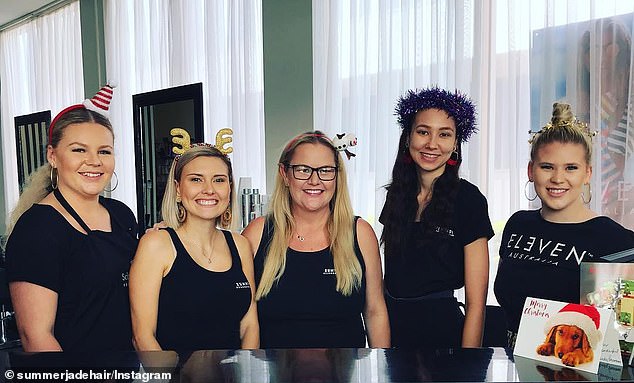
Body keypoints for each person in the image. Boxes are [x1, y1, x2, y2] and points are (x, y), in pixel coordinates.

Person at [3, 85, 138, 351]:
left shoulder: (122, 215)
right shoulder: (38, 229)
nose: (94, 161)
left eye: (104, 151)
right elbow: (36, 337)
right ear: (53, 156)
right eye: (79, 150)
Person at [494, 102, 634, 348]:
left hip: (574, 372)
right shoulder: (517, 226)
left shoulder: (618, 242)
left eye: (571, 168)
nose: (558, 178)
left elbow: (623, 335)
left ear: (587, 173)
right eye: (547, 167)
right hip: (511, 365)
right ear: (531, 170)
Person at [242, 131, 390, 348]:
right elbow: (244, 319)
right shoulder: (257, 233)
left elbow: (375, 312)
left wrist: (382, 368)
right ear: (285, 174)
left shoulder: (360, 233)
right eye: (303, 170)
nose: (314, 180)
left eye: (325, 171)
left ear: (337, 176)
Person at [380, 86, 494, 348]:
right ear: (408, 137)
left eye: (444, 134)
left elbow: (476, 304)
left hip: (443, 334)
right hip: (393, 328)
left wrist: (468, 363)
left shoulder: (469, 199)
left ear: (455, 144)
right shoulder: (397, 195)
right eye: (423, 132)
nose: (432, 144)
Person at [130, 144, 259, 351]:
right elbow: (142, 336)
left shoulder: (240, 245)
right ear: (178, 189)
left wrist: (244, 374)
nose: (209, 189)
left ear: (229, 189)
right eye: (196, 179)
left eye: (219, 180)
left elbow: (249, 326)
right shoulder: (157, 245)